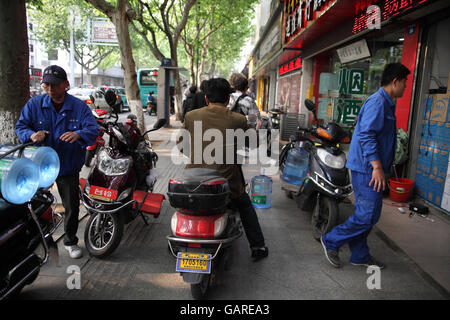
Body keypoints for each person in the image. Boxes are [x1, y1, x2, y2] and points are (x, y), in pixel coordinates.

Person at [320, 63, 411, 269]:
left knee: (369, 214)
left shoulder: (387, 103)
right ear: (395, 81)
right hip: (366, 168)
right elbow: (366, 134)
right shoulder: (377, 103)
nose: (406, 87)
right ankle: (331, 240)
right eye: (405, 82)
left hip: (373, 168)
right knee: (367, 214)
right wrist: (377, 167)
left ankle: (359, 255)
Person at [15, 65, 99, 259]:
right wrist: (31, 134)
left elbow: (93, 129)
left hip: (67, 164)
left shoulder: (79, 107)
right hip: (38, 165)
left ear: (66, 85)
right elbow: (21, 126)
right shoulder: (35, 105)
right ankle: (39, 240)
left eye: (54, 85)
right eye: (46, 85)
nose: (50, 89)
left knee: (71, 205)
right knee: (32, 204)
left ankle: (70, 241)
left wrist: (78, 134)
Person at [182, 78, 268, 261]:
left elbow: (182, 147)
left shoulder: (191, 116)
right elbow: (252, 145)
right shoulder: (238, 119)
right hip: (226, 183)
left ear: (206, 99)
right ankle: (258, 246)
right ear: (228, 99)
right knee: (245, 205)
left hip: (193, 180)